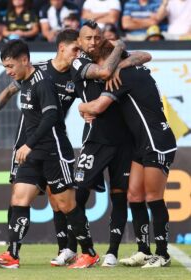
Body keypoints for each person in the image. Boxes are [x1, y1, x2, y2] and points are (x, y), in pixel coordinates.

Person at [0, 39, 99, 269]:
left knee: (66, 205)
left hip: (53, 151)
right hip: (32, 153)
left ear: (24, 60)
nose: (8, 72)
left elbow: (51, 116)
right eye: (5, 67)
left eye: (10, 66)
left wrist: (30, 144)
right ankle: (12, 255)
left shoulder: (42, 83)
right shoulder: (23, 81)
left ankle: (89, 252)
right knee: (18, 199)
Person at [77, 40, 177, 268]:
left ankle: (162, 254)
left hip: (156, 141)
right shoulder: (128, 67)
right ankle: (144, 250)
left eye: (98, 64)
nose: (99, 71)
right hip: (140, 143)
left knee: (154, 198)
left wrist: (80, 107)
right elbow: (143, 55)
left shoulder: (122, 76)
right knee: (134, 196)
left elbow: (96, 108)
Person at [71, 20, 152, 267]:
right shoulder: (79, 62)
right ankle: (85, 250)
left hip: (125, 140)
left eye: (97, 37)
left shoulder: (113, 55)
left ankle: (112, 252)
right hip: (95, 139)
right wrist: (119, 48)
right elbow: (105, 72)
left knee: (120, 197)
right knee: (78, 195)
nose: (93, 42)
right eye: (88, 38)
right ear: (79, 42)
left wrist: (122, 61)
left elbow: (146, 54)